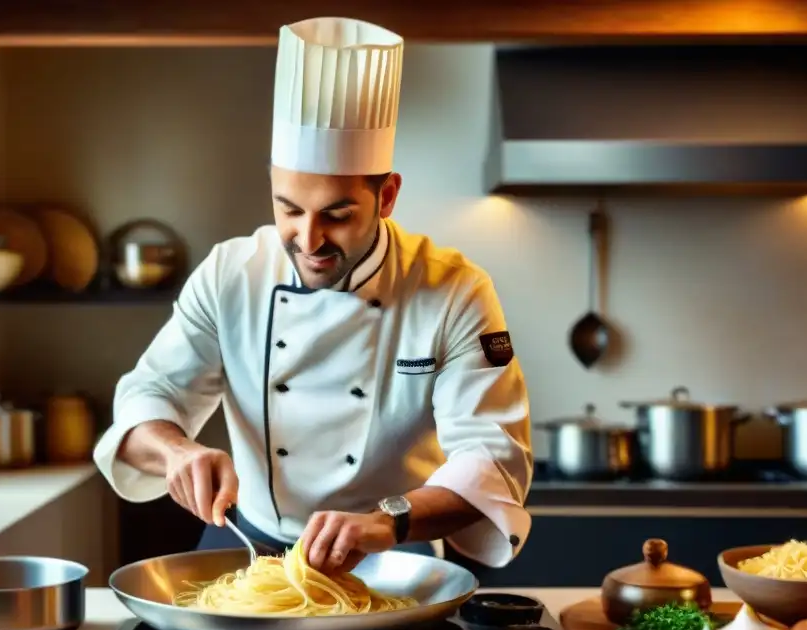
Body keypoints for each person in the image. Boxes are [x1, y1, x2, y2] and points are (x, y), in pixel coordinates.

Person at [93, 16, 533, 576]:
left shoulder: (454, 291)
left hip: (393, 553)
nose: (308, 239)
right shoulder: (231, 274)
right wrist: (178, 452)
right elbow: (148, 397)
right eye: (289, 210)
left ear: (387, 196)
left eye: (337, 215)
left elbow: (493, 457)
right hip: (249, 545)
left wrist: (388, 521)